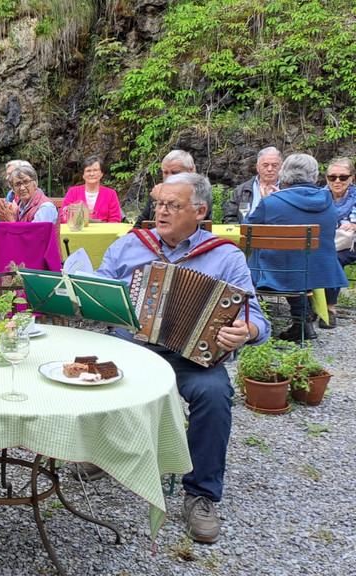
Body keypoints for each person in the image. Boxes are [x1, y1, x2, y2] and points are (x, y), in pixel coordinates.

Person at [87, 172, 270, 544]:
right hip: (131, 348)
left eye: (174, 205)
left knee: (215, 394)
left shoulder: (224, 256)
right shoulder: (130, 245)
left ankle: (200, 494)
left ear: (200, 211)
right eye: (159, 204)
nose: (162, 212)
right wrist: (99, 299)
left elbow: (257, 319)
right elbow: (98, 291)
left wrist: (245, 332)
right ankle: (100, 452)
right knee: (88, 371)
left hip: (190, 357)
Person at [246, 153, 348, 342]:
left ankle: (251, 321)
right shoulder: (328, 201)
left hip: (276, 272)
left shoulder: (272, 201)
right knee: (294, 261)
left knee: (270, 260)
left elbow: (247, 229)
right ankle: (302, 322)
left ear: (284, 174)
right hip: (317, 271)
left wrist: (268, 200)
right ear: (315, 175)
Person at [322, 157, 356, 329]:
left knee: (333, 258)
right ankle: (310, 305)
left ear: (351, 178)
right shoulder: (318, 197)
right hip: (323, 241)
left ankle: (329, 307)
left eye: (343, 177)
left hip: (351, 244)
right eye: (332, 177)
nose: (337, 181)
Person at [132, 150, 207, 227]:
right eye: (165, 172)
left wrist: (162, 199)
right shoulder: (159, 190)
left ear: (190, 171)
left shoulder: (199, 193)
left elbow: (184, 227)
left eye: (175, 173)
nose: (169, 177)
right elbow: (139, 224)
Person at [223, 146, 282, 223]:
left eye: (274, 165)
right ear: (257, 167)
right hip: (246, 234)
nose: (269, 169)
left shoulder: (287, 191)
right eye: (265, 165)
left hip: (277, 234)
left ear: (281, 167)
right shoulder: (241, 191)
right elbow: (229, 219)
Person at [59, 156, 122, 223]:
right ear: (83, 175)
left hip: (103, 232)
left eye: (95, 170)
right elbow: (63, 215)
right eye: (88, 171)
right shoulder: (73, 192)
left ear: (101, 174)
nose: (92, 174)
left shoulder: (111, 194)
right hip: (78, 231)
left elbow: (115, 219)